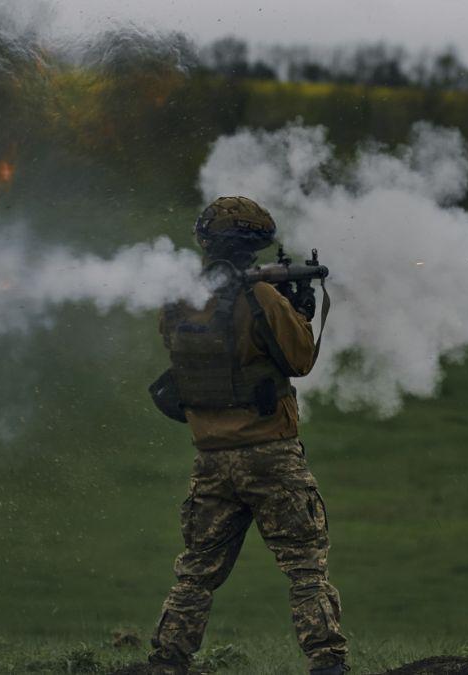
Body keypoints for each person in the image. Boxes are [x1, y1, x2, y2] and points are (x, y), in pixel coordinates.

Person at [145, 196, 348, 675]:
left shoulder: (177, 298)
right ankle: (328, 662)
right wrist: (298, 309)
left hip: (211, 456)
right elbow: (298, 360)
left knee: (197, 570)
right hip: (269, 454)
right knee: (304, 565)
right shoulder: (260, 297)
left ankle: (168, 660)